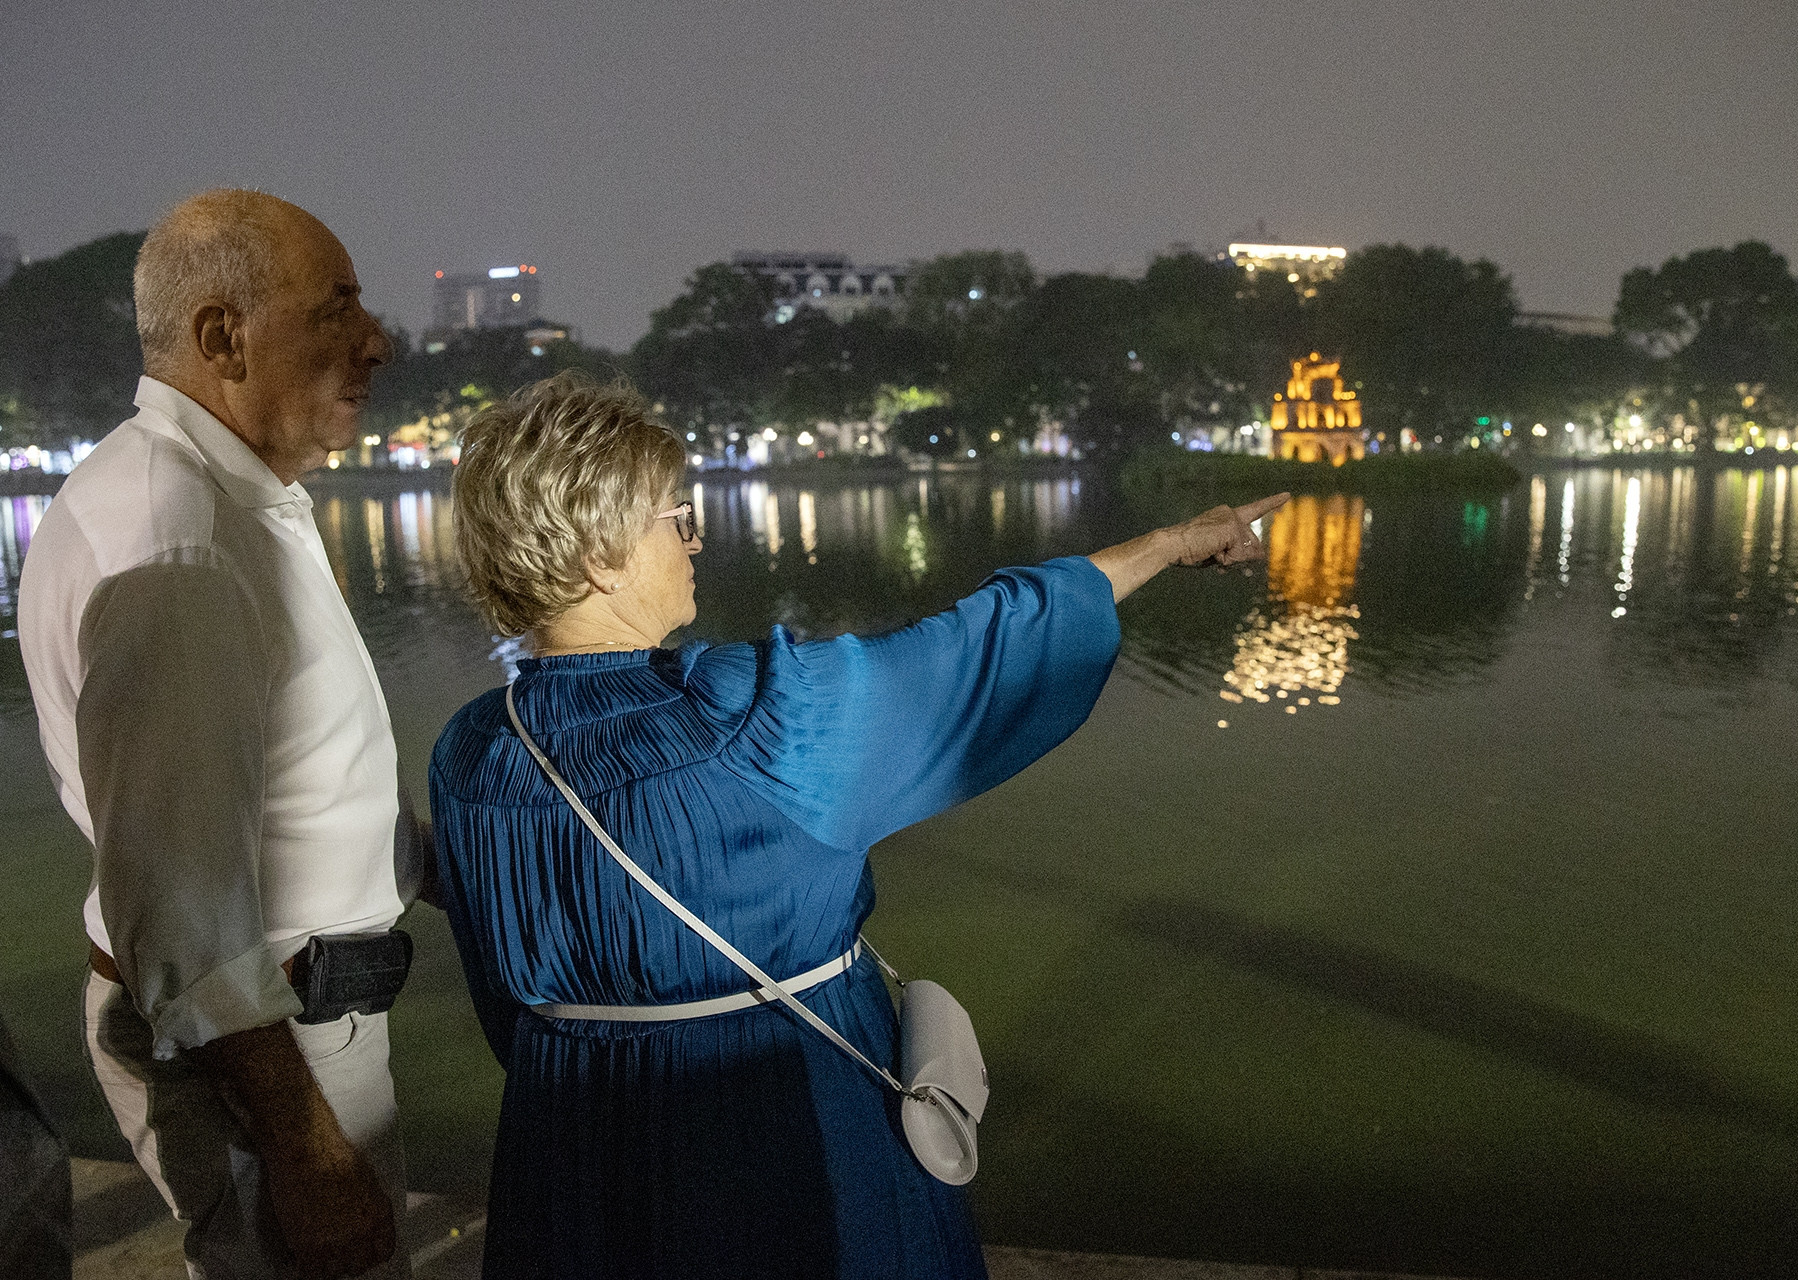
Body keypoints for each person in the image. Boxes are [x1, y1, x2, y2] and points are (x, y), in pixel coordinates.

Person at [430, 372, 1288, 1279]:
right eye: (674, 518)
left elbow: (506, 1007)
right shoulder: (752, 718)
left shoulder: (472, 750)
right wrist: (1171, 543)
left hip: (569, 1152)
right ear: (602, 553)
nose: (693, 542)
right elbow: (980, 647)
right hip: (781, 1133)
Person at [19, 189, 421, 1280]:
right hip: (264, 1048)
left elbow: (278, 780)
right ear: (220, 335)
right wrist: (304, 1147)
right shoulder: (181, 545)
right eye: (336, 308)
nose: (375, 340)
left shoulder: (203, 494)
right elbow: (189, 905)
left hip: (269, 1021)